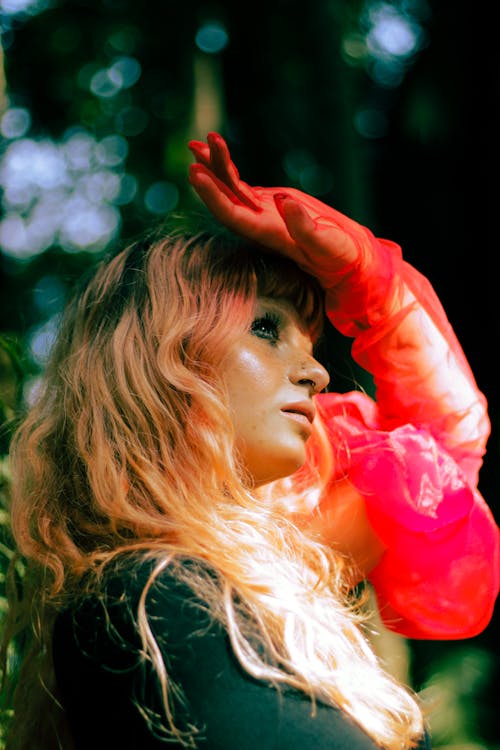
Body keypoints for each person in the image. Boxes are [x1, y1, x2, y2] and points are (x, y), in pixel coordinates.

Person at [1, 131, 498, 750]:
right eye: (266, 328)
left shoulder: (252, 590)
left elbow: (438, 475)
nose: (317, 373)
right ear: (162, 364)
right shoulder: (155, 594)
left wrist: (374, 283)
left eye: (311, 348)